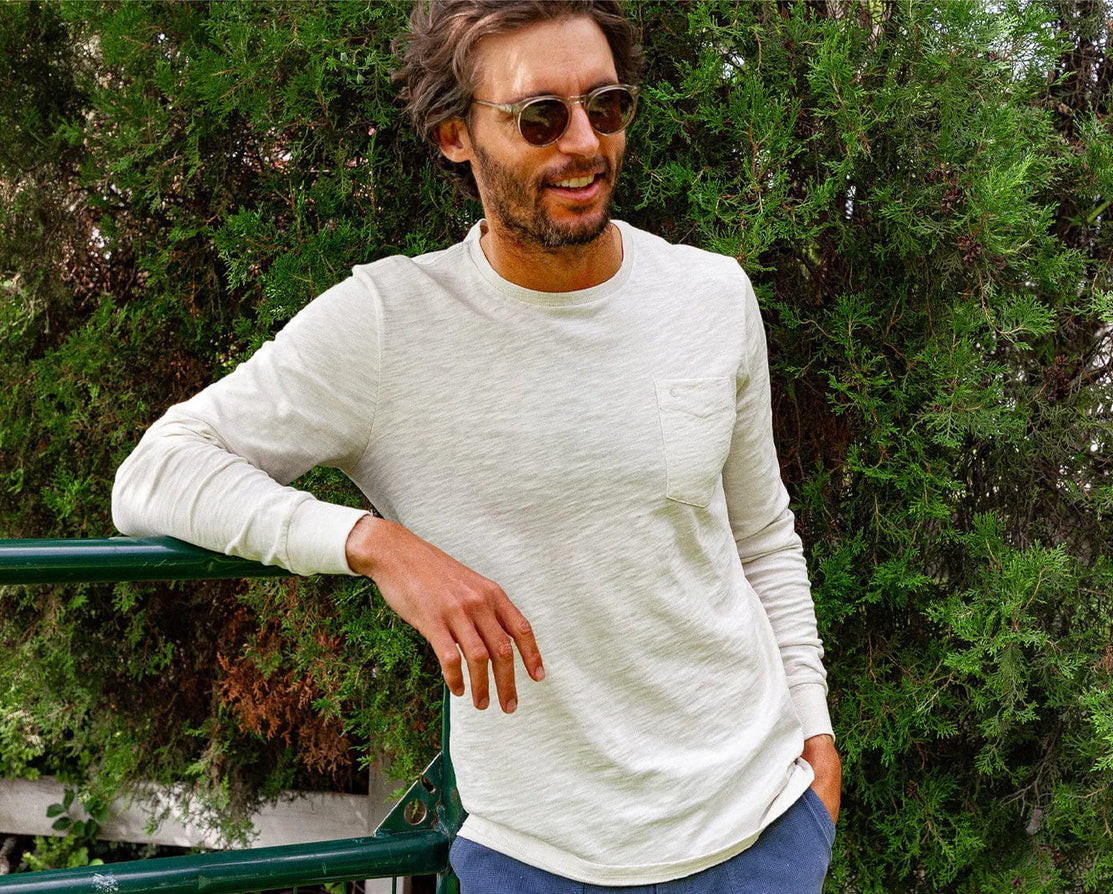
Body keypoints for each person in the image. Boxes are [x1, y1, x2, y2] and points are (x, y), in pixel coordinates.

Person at [111, 1, 841, 890]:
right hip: (537, 860)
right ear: (455, 134)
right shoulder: (388, 327)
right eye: (540, 117)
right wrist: (374, 544)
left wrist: (815, 739)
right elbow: (157, 470)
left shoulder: (711, 295)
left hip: (764, 832)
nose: (584, 142)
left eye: (606, 105)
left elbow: (762, 538)